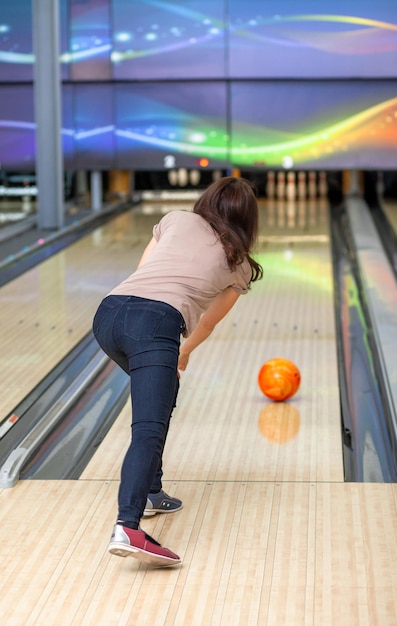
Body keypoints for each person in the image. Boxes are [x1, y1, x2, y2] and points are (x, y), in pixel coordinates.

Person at [92, 176, 263, 567]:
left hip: (109, 314)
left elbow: (142, 271)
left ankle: (152, 491)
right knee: (148, 427)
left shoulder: (175, 219)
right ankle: (129, 525)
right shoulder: (239, 262)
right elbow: (206, 323)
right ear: (248, 220)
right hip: (155, 323)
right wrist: (180, 352)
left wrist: (167, 361)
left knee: (164, 393)